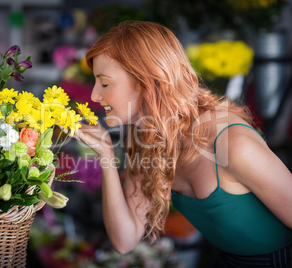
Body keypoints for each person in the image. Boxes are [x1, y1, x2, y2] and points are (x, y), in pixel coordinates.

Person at [70, 21, 292, 267]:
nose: (93, 95)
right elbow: (124, 240)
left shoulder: (233, 142)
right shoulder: (147, 141)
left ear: (146, 80)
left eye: (104, 83)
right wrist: (106, 156)